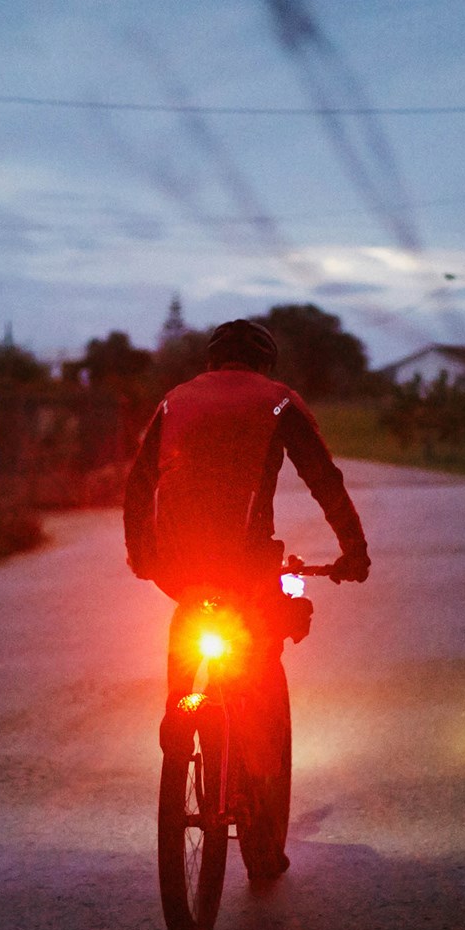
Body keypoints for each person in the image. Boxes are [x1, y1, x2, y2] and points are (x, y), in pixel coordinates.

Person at [124, 317, 370, 878]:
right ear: (264, 363)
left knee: (186, 639)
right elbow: (324, 479)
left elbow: (139, 483)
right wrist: (353, 552)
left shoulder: (171, 400)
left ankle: (178, 727)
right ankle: (260, 829)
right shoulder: (279, 401)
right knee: (258, 668)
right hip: (246, 565)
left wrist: (141, 558)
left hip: (179, 568)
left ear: (211, 361)